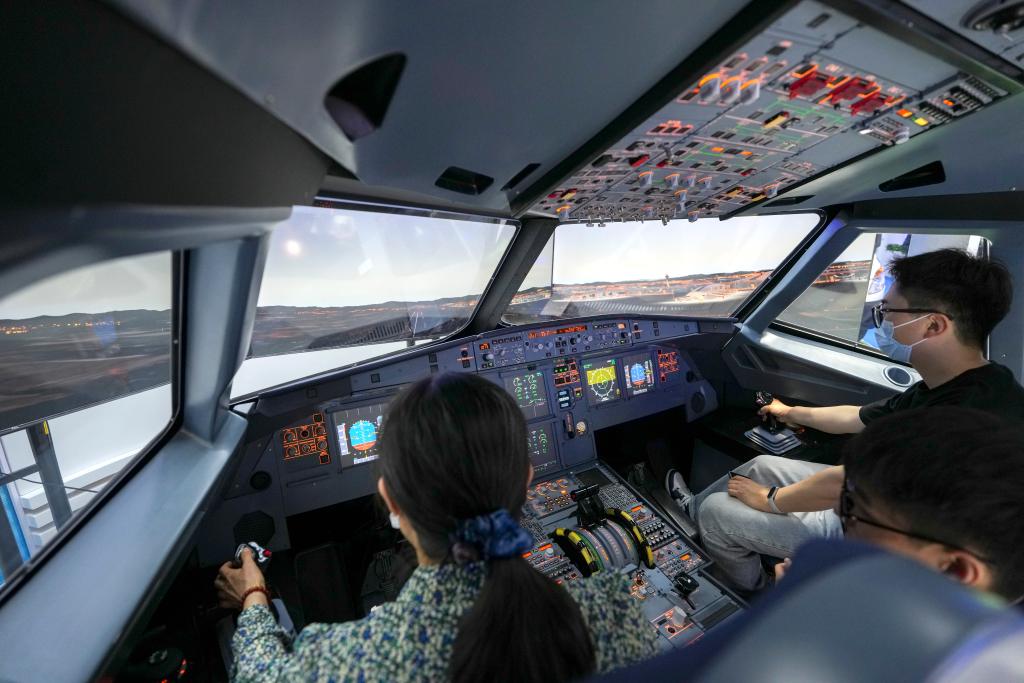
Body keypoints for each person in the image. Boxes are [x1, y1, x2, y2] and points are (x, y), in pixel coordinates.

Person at [217, 372, 657, 683]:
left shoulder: (346, 658)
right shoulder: (614, 611)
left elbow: (259, 674)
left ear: (391, 500)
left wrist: (253, 597)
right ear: (526, 479)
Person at [666, 249, 1024, 591]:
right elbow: (856, 417)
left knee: (718, 512)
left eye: (889, 312)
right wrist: (788, 412)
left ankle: (757, 593)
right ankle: (688, 512)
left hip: (879, 537)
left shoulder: (966, 417)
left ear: (933, 325)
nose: (884, 322)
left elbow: (848, 484)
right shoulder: (966, 384)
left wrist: (771, 499)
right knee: (759, 465)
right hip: (875, 506)